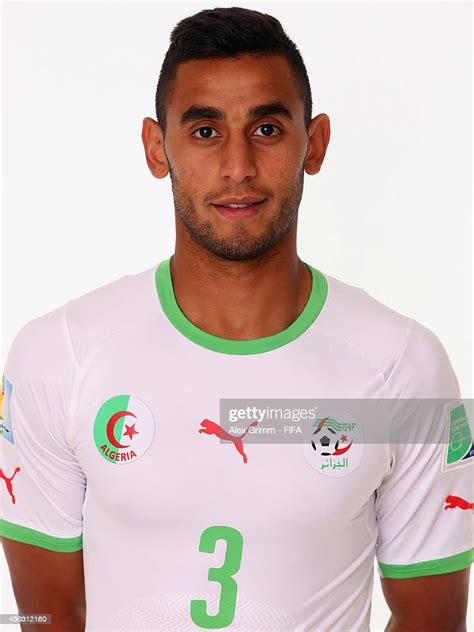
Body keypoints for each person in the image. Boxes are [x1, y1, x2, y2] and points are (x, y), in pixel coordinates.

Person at [0, 6, 472, 631]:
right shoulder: (58, 356)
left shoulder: (403, 366)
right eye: (204, 131)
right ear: (155, 146)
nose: (238, 167)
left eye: (268, 129)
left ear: (316, 142)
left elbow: (430, 620)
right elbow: (48, 617)